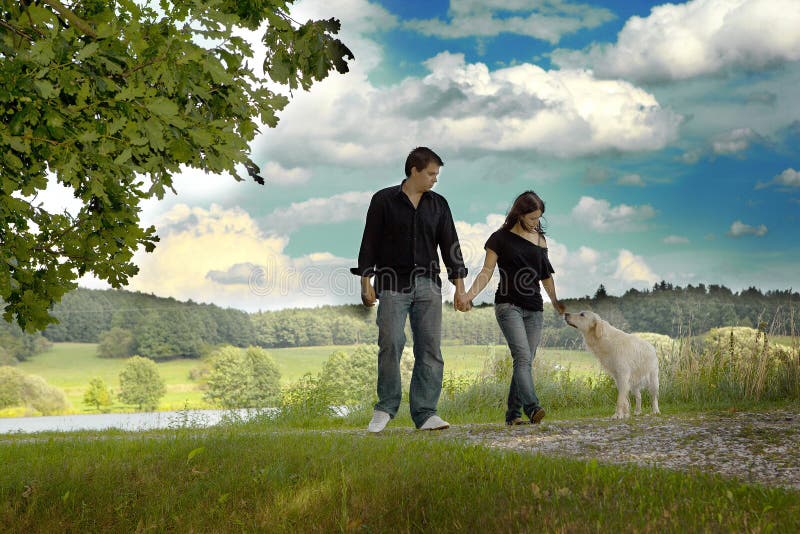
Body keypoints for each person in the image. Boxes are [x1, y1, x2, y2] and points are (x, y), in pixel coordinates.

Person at [352, 147, 469, 433]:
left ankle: (426, 413)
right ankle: (385, 409)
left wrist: (460, 288)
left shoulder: (439, 204)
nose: (434, 179)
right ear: (414, 170)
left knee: (429, 348)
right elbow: (370, 242)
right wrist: (365, 282)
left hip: (428, 284)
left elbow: (450, 245)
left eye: (436, 175)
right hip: (392, 283)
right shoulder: (383, 200)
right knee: (391, 342)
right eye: (431, 174)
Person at [456, 191, 565, 425]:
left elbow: (546, 276)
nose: (536, 223)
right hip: (508, 305)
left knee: (525, 360)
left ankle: (513, 414)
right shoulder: (499, 238)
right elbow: (486, 272)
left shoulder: (540, 239)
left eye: (539, 218)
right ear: (520, 214)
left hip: (535, 309)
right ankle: (532, 407)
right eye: (533, 218)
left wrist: (555, 302)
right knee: (523, 356)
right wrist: (467, 295)